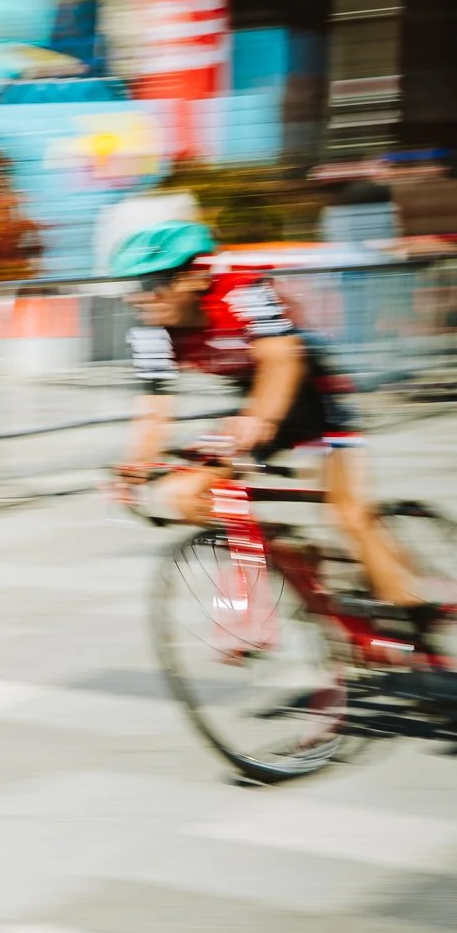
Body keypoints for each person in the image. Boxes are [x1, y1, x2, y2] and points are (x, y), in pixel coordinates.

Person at [110, 219, 438, 636]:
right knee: (183, 493)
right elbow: (154, 407)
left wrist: (259, 420)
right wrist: (136, 464)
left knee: (349, 514)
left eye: (154, 282)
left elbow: (282, 359)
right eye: (133, 285)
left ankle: (416, 615)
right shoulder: (151, 330)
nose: (142, 297)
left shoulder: (243, 290)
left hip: (313, 398)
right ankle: (289, 553)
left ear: (195, 275)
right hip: (257, 402)